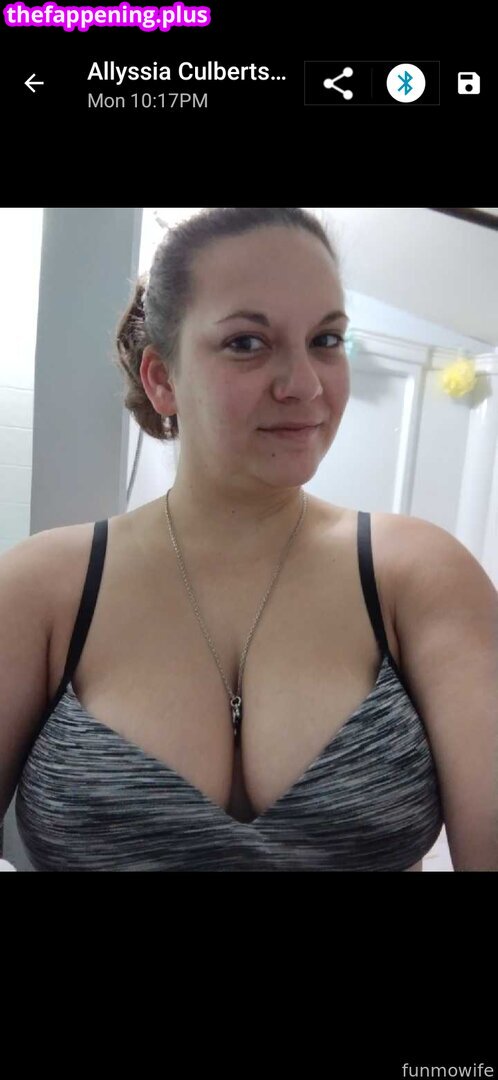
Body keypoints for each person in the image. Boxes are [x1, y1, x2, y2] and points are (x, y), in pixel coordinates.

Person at [3, 208, 497, 871]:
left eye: (326, 339)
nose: (306, 385)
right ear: (162, 379)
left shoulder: (422, 577)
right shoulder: (42, 590)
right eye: (246, 343)